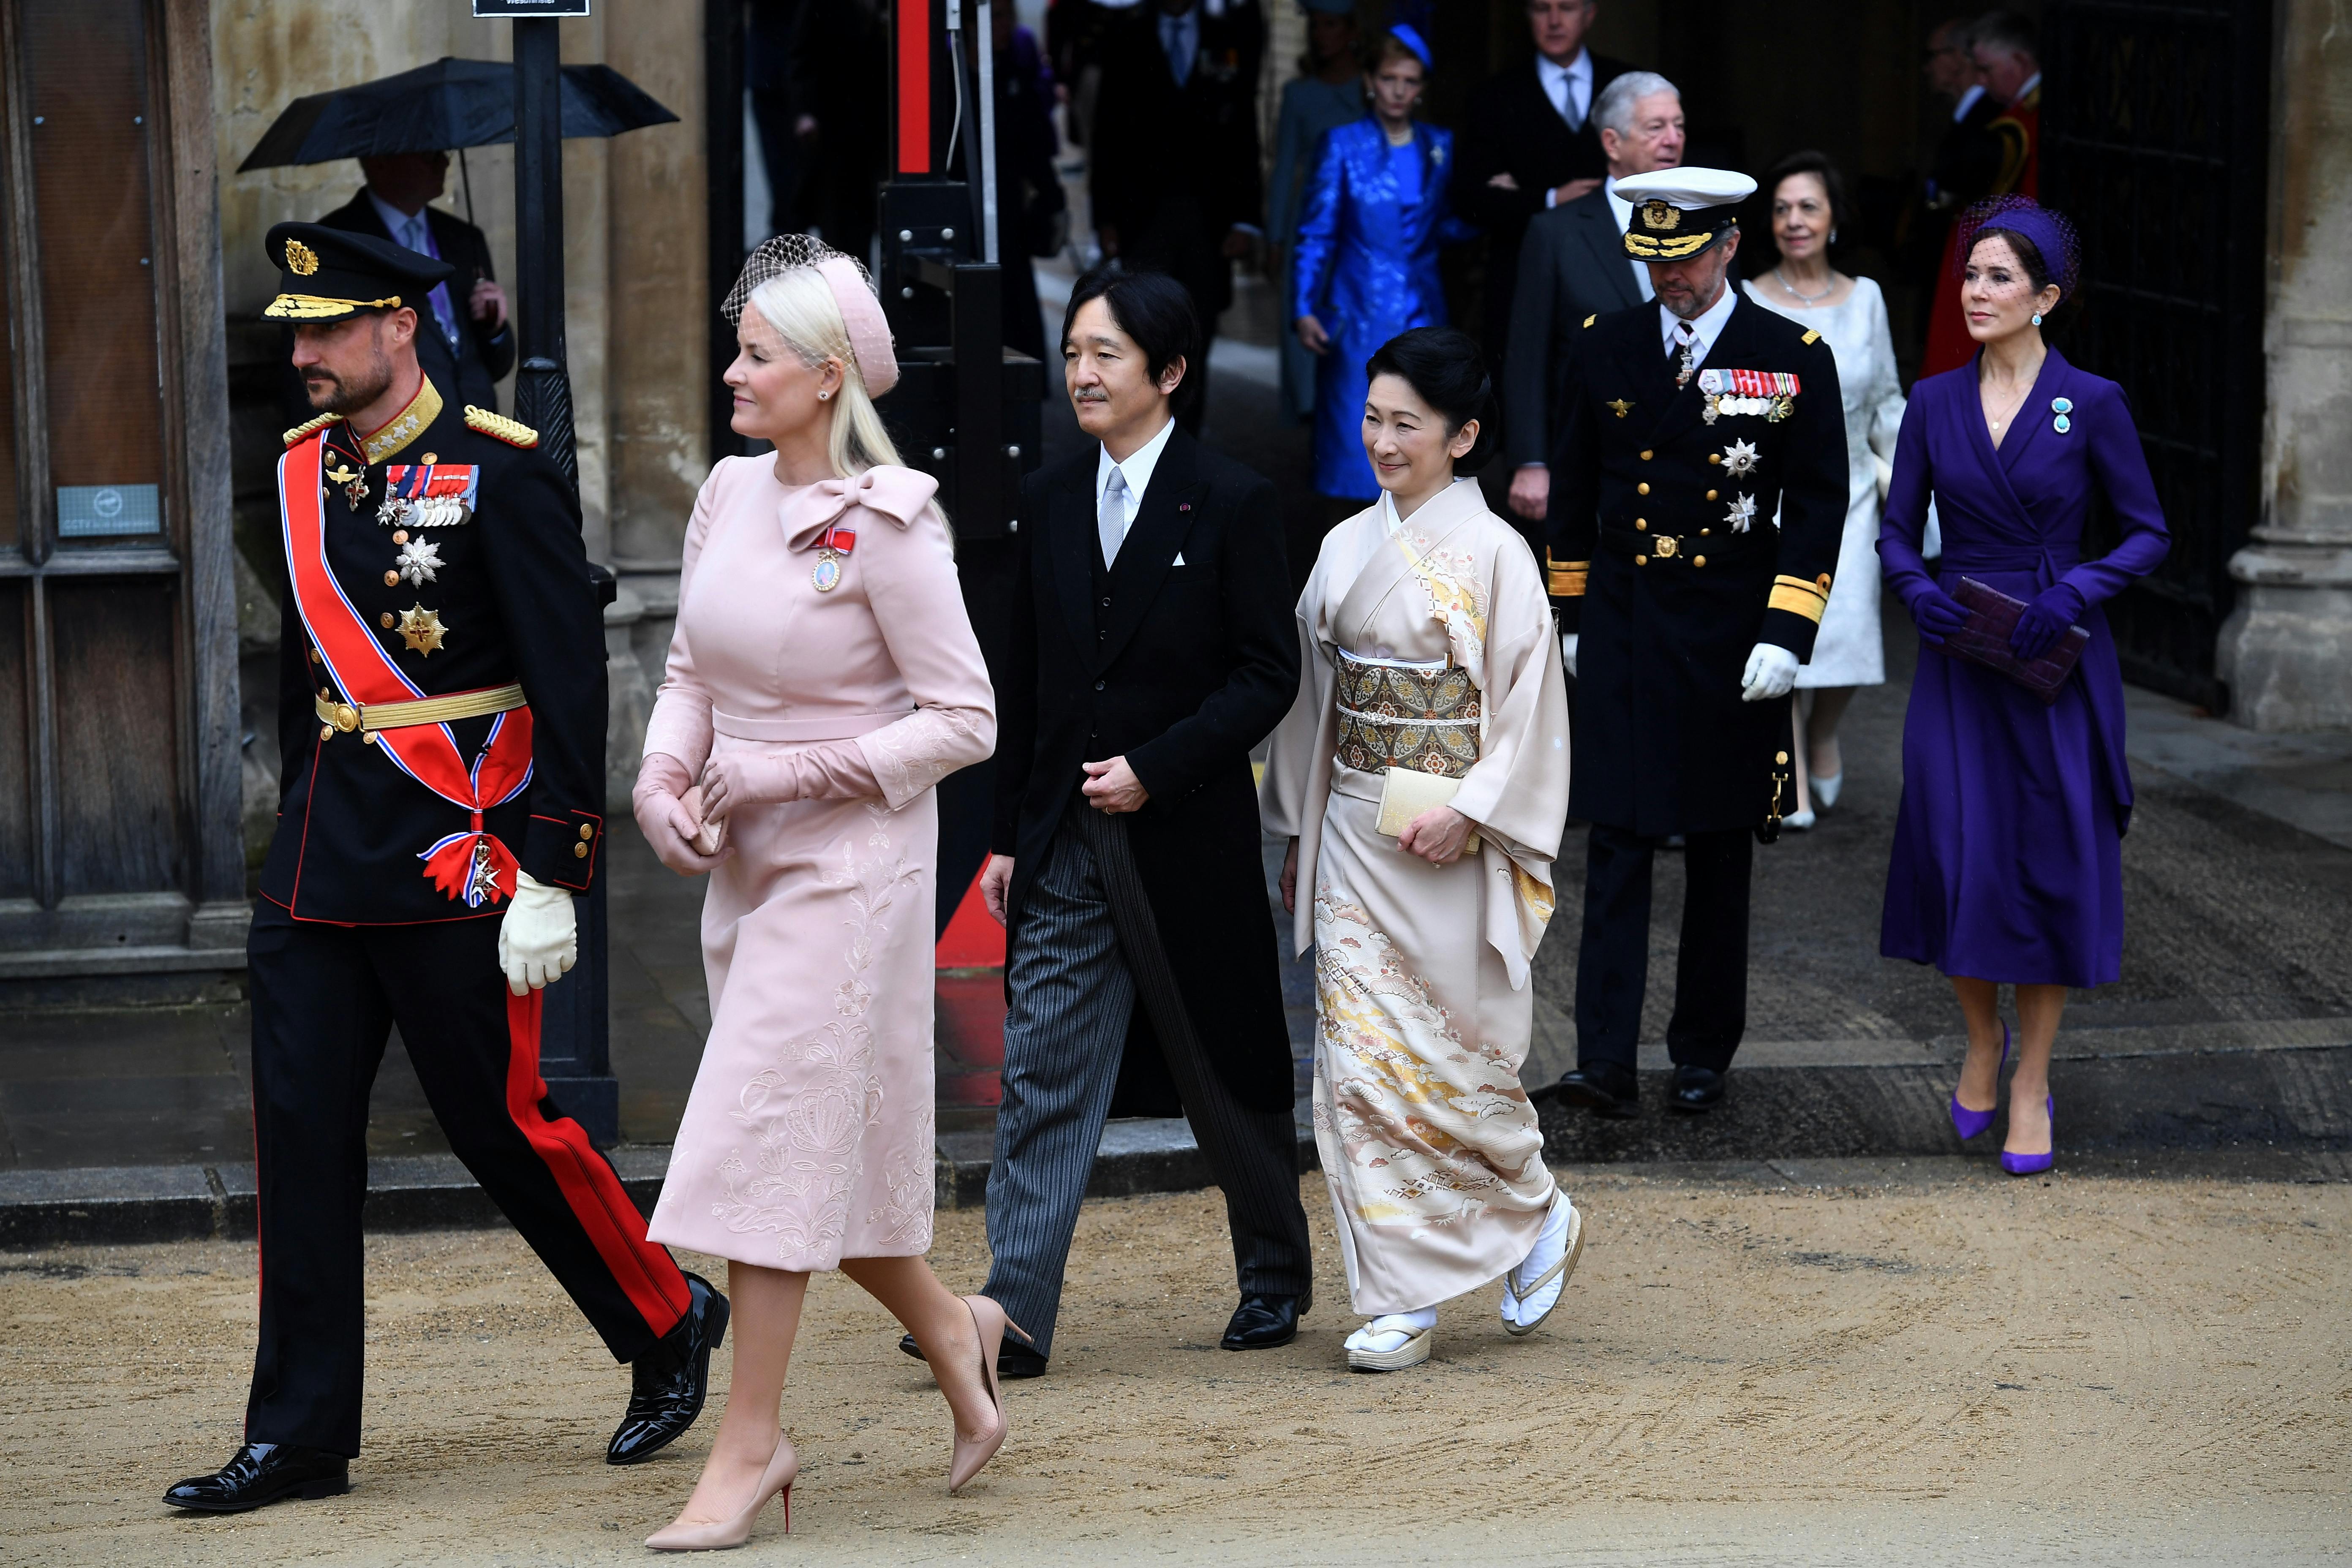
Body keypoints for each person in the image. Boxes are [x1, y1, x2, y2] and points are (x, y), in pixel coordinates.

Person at [164, 225, 725, 1516]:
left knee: (500, 1122)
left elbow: (567, 678)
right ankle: (300, 1431)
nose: (299, 353)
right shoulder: (304, 469)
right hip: (319, 859)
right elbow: (324, 688)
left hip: (454, 853)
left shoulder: (497, 467)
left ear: (399, 324)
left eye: (324, 328)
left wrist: (551, 866)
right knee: (300, 1138)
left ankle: (660, 1315)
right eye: (292, 330)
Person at [630, 238, 1002, 1548]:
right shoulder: (727, 492)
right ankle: (958, 1327)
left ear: (826, 375)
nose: (731, 370)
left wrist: (790, 770)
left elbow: (966, 719)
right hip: (749, 863)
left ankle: (749, 1446)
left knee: (760, 1138)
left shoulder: (895, 521)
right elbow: (688, 664)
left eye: (755, 354)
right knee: (808, 1162)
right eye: (737, 347)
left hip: (857, 873)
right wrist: (662, 777)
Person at [970, 268, 1314, 1375]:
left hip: (1187, 836)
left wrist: (1157, 770)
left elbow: (1269, 674)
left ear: (1169, 373)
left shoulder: (1235, 499)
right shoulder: (1054, 497)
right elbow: (1022, 682)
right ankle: (1013, 1311)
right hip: (1068, 838)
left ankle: (1273, 1273)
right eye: (1073, 352)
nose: (1081, 373)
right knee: (1042, 1075)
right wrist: (1005, 837)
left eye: (1105, 355)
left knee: (1227, 1067)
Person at [1259, 327, 1579, 1372]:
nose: (1382, 442)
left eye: (1407, 424)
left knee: (1450, 1052)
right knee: (1359, 1063)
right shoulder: (1345, 544)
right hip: (1358, 820)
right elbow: (1316, 700)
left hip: (1448, 829)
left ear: (1464, 436)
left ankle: (1533, 1211)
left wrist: (1479, 807)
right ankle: (1402, 1293)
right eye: (1372, 419)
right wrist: (1303, 826)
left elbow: (1531, 709)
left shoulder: (1496, 553)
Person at [1533, 170, 1847, 1120]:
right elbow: (1577, 491)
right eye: (1654, 261)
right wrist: (1573, 614)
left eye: (1684, 260)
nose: (1668, 279)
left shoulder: (1787, 353)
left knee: (1718, 846)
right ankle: (1603, 1059)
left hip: (1728, 631)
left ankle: (1704, 1052)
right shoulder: (1608, 345)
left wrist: (1789, 631)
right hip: (1627, 625)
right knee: (1618, 842)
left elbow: (1819, 504)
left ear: (1727, 249)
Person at [1878, 199, 2167, 1177]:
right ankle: (1978, 1040)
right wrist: (1913, 588)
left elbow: (2144, 531)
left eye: (1999, 277)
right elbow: (1893, 525)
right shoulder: (1930, 402)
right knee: (1957, 855)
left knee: (2046, 868)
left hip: (2053, 662)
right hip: (1960, 654)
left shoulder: (2092, 402)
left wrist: (2076, 587)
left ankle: (2033, 1078)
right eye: (1969, 275)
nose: (1975, 292)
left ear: (2045, 298)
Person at [1740, 151, 1907, 826]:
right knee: (1783, 632)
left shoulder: (1866, 297)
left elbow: (1889, 401)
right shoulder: (1747, 298)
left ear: (1835, 218)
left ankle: (1822, 732)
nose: (1793, 221)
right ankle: (1792, 775)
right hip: (1774, 493)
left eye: (1808, 207)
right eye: (1781, 210)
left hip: (1856, 494)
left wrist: (1924, 478)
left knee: (1845, 639)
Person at [1291, 27, 1475, 553]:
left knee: (1425, 443)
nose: (1398, 90)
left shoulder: (1439, 145)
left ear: (1422, 89)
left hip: (1423, 314)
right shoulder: (1342, 144)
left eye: (1410, 81)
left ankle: (1418, 574)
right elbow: (1316, 232)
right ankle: (1346, 572)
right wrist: (1305, 305)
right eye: (1389, 79)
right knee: (1356, 451)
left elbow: (1440, 226)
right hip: (1357, 318)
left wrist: (1500, 210)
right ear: (1370, 82)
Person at [1503, 69, 1685, 527]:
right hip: (1591, 460)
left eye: (1679, 126)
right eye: (1655, 127)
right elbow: (1528, 358)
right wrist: (1530, 462)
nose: (1672, 140)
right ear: (1612, 143)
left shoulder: (1705, 226)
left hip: (1685, 459)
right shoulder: (1556, 232)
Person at [1089, 0, 1268, 428]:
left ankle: (1185, 443)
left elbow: (1242, 126)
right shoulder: (1125, 34)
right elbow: (1107, 128)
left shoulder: (1226, 35)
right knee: (1143, 331)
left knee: (1196, 333)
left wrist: (1246, 218)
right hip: (1143, 216)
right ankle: (1141, 436)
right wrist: (1106, 218)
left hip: (1208, 219)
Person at [1449, 0, 1634, 357]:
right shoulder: (1495, 96)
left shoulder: (1625, 85)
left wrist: (1517, 192)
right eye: (1540, 8)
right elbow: (1469, 198)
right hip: (1522, 275)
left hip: (1612, 268)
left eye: (1566, 8)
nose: (1553, 21)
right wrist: (1548, 199)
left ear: (1590, 14)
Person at [313, 152, 514, 414]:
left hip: (479, 429)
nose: (444, 162)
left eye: (444, 152)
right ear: (380, 160)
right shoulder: (336, 242)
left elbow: (495, 366)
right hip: (399, 437)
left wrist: (494, 329)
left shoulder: (465, 238)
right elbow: (318, 366)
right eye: (428, 155)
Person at [1922, 11, 2040, 376]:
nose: (1982, 81)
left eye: (1987, 70)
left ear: (2020, 62)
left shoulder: (2018, 125)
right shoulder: (2015, 117)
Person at [1268, 0, 1366, 427]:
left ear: (1349, 30)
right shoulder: (1299, 95)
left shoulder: (1370, 90)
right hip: (1309, 226)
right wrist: (1274, 237)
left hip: (1361, 228)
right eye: (1317, 26)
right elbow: (1284, 167)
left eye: (1331, 25)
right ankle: (1314, 413)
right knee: (1306, 327)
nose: (1321, 34)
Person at [1901, 16, 2004, 361]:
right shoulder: (1965, 114)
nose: (1927, 68)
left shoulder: (1990, 117)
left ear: (1961, 57)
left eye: (1933, 56)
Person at [995, 2, 1067, 364]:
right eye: (994, 16)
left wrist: (1053, 198)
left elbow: (1034, 141)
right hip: (973, 204)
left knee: (1016, 294)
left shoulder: (1018, 67)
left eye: (1006, 14)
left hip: (1010, 204)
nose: (1002, 24)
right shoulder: (953, 75)